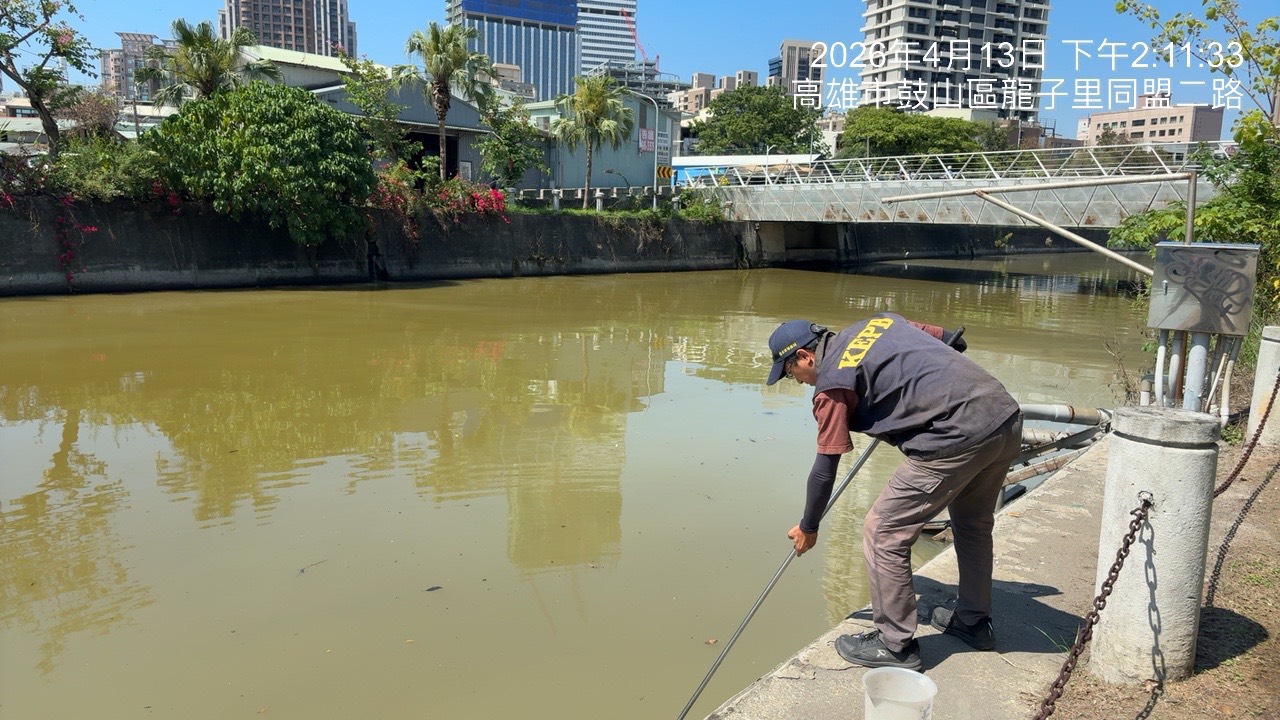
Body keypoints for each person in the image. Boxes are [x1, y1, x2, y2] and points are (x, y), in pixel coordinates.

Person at [764, 314, 1022, 671]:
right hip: (1004, 416)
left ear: (805, 357)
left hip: (954, 436)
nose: (800, 382)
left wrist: (809, 526)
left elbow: (824, 470)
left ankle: (895, 645)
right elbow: (952, 341)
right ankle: (974, 623)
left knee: (883, 531)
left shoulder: (831, 385)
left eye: (792, 374)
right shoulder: (877, 323)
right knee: (973, 525)